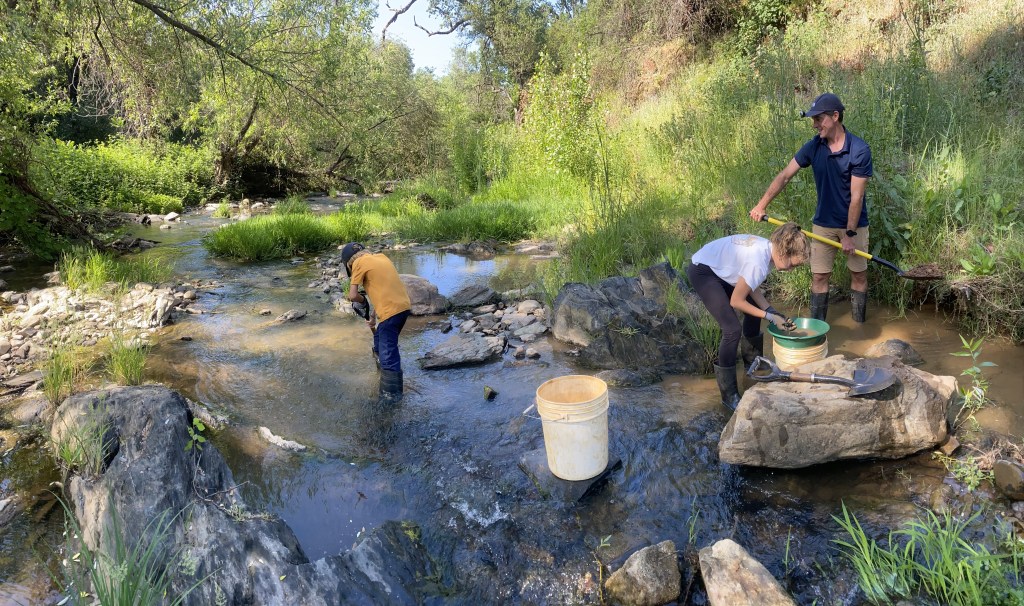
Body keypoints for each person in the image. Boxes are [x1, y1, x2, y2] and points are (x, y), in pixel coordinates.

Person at [749, 92, 873, 323]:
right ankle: (817, 330)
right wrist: (761, 205)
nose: (814, 124)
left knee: (858, 274)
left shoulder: (859, 150)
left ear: (835, 116)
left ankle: (859, 326)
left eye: (818, 119)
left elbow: (856, 197)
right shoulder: (813, 147)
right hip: (823, 224)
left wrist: (849, 234)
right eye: (813, 119)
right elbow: (785, 176)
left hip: (854, 225)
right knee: (819, 277)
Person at [686, 222, 810, 410]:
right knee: (732, 330)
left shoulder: (769, 251)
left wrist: (772, 311)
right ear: (784, 252)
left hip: (720, 269)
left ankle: (753, 364)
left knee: (754, 310)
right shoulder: (758, 261)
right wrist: (770, 317)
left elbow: (751, 286)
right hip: (704, 272)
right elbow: (736, 301)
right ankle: (729, 396)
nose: (791, 269)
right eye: (792, 264)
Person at [342, 242, 412, 401]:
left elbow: (353, 295)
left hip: (391, 313)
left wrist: (362, 301)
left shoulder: (358, 263)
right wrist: (373, 315)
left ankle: (391, 398)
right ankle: (381, 373)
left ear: (348, 263)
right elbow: (385, 292)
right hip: (403, 307)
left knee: (388, 354)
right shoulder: (381, 257)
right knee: (380, 338)